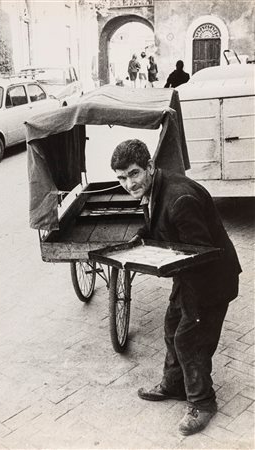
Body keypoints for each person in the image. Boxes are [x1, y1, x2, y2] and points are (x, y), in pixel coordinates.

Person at [110, 139, 241, 436]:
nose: (128, 184)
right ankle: (174, 384)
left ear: (150, 167)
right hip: (190, 276)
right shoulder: (157, 188)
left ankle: (203, 403)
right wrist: (140, 239)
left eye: (133, 174)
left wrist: (159, 264)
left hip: (210, 279)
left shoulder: (181, 198)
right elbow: (159, 221)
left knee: (189, 339)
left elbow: (202, 254)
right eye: (121, 178)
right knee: (171, 326)